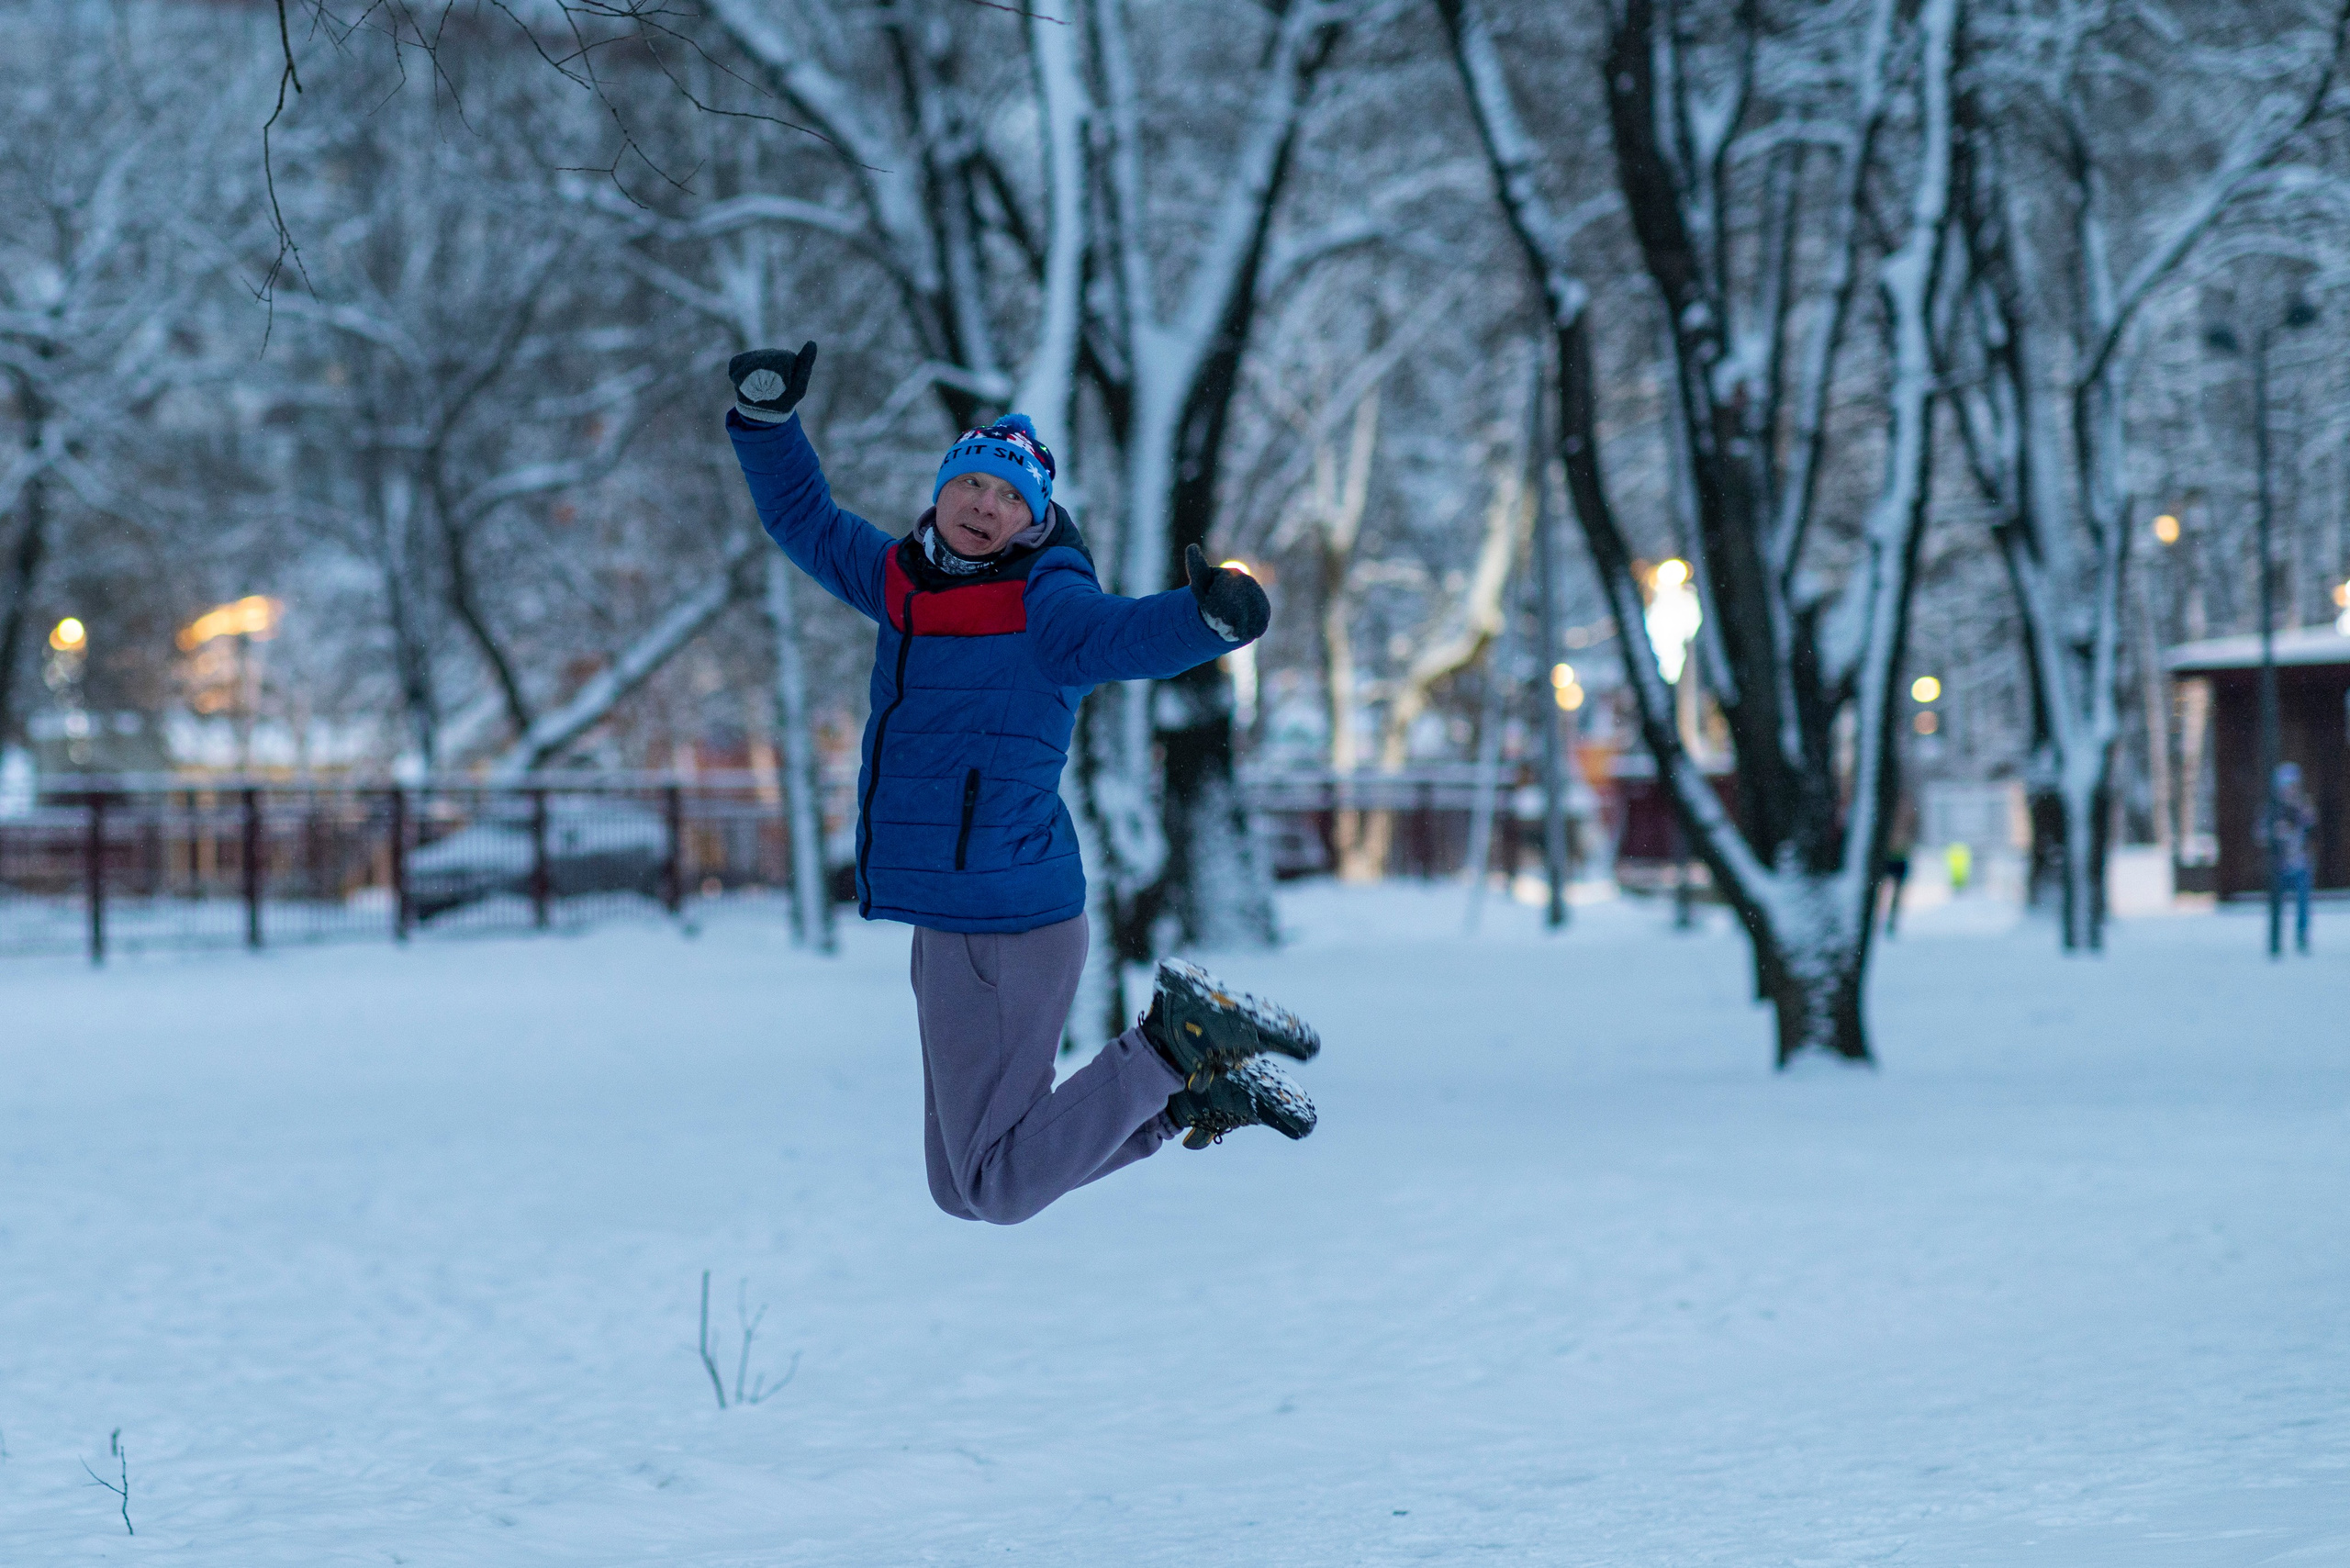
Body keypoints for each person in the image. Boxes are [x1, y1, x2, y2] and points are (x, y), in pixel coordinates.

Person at [725, 342, 1322, 1226]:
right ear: (943, 491)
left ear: (1034, 521)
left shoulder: (1048, 610)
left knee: (996, 1184)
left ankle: (1173, 1044)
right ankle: (1186, 1099)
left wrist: (1205, 619)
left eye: (1011, 497)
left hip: (1008, 922)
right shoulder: (904, 588)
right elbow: (806, 522)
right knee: (960, 1187)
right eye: (973, 484)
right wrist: (769, 422)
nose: (986, 506)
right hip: (949, 921)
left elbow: (1125, 636)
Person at [2266, 761, 2317, 956]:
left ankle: (2302, 935)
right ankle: (2277, 937)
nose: (2290, 792)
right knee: (2277, 905)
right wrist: (2275, 833)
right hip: (2280, 865)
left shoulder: (2303, 808)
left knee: (2303, 903)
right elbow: (2260, 833)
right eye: (2286, 787)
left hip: (2301, 864)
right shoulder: (2273, 810)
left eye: (2293, 787)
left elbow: (2313, 832)